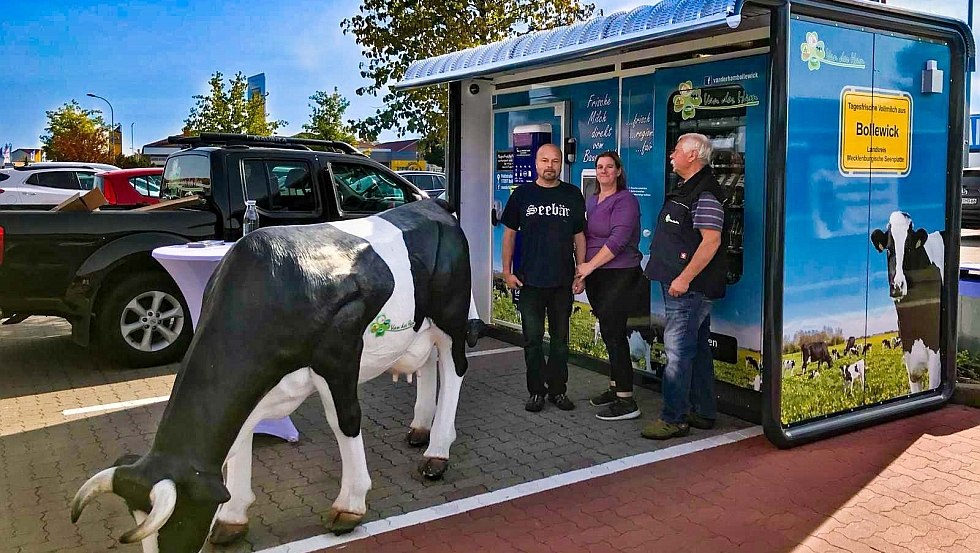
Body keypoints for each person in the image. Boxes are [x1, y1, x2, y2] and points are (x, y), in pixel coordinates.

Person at [642, 133, 727, 440]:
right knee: (698, 349)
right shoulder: (689, 188)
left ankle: (674, 418)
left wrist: (684, 278)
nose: (671, 156)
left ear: (692, 156)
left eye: (676, 150)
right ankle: (703, 411)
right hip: (681, 285)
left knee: (677, 352)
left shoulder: (704, 193)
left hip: (688, 289)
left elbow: (711, 241)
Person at [500, 143, 587, 413]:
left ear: (561, 164)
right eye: (544, 160)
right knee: (533, 340)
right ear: (536, 164)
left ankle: (558, 391)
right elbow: (510, 235)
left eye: (555, 161)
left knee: (561, 341)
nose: (550, 166)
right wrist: (506, 271)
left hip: (562, 282)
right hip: (530, 281)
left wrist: (581, 270)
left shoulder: (572, 195)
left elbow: (579, 236)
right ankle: (536, 392)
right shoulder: (522, 195)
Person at [575, 151, 645, 421]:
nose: (603, 171)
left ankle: (627, 400)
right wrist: (582, 272)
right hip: (597, 275)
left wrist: (589, 267)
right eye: (599, 167)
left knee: (615, 333)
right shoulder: (592, 201)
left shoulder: (625, 200)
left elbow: (617, 241)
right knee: (608, 331)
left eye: (609, 167)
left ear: (618, 171)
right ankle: (615, 388)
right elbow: (585, 236)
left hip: (620, 273)